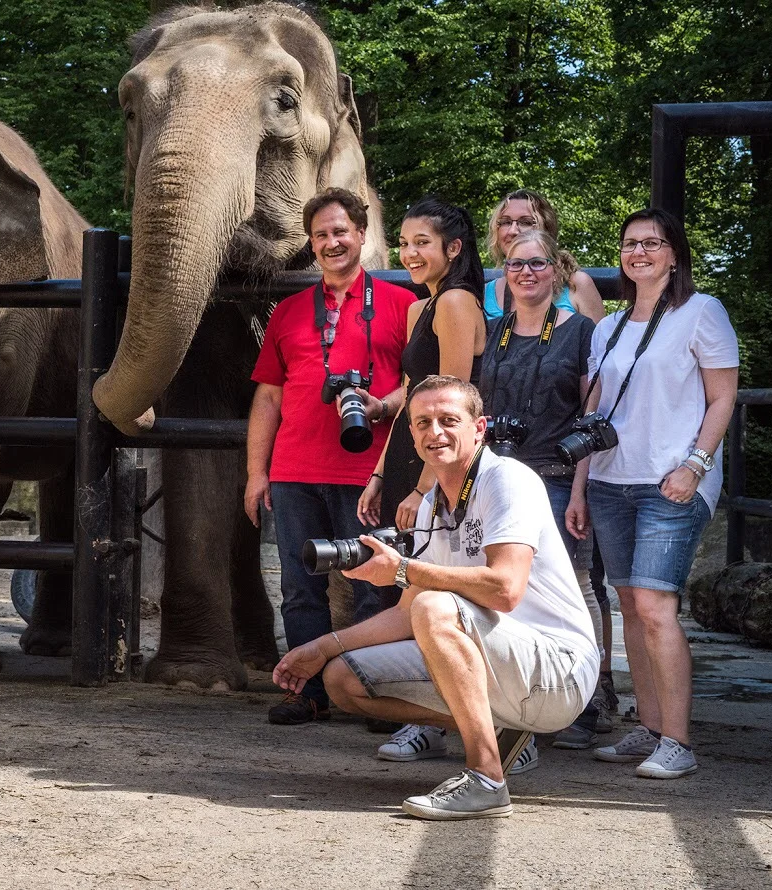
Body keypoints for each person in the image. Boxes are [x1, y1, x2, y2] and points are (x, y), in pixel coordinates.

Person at [273, 376, 600, 820]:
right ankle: (499, 735)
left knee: (434, 604)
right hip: (504, 666)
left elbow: (505, 589)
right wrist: (321, 646)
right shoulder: (431, 504)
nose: (435, 433)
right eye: (422, 422)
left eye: (449, 420)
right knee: (342, 679)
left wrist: (403, 570)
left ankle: (486, 781)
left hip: (558, 670)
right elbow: (406, 614)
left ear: (479, 427)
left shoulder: (507, 480)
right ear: (409, 432)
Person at [245, 188, 416, 725]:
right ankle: (307, 690)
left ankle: (372, 689)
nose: (332, 242)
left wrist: (382, 404)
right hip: (295, 469)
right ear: (310, 243)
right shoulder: (290, 312)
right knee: (299, 587)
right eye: (320, 234)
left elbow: (418, 386)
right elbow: (268, 396)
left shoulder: (402, 304)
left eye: (341, 231)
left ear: (362, 235)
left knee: (374, 583)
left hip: (368, 473)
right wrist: (257, 473)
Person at [583, 208, 738, 779]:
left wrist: (695, 466)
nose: (639, 252)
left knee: (655, 606)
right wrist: (580, 489)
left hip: (671, 481)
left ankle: (678, 741)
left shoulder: (701, 312)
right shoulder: (609, 327)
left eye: (652, 242)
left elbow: (722, 398)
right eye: (629, 243)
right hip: (609, 480)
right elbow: (595, 414)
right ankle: (648, 728)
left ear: (675, 254)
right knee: (630, 606)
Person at [483, 188, 616, 731]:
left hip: (559, 477)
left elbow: (592, 417)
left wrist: (582, 489)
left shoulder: (582, 331)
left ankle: (584, 700)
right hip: (500, 477)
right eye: (517, 263)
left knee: (573, 586)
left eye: (537, 262)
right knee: (505, 586)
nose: (526, 271)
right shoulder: (492, 331)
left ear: (557, 270)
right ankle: (521, 698)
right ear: (505, 269)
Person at [358, 197, 486, 746]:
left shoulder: (456, 302)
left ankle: (438, 720)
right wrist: (383, 475)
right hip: (411, 459)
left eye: (423, 243)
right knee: (402, 589)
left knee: (426, 590)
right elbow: (415, 400)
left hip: (445, 466)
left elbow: (451, 406)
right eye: (405, 243)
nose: (409, 253)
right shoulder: (418, 309)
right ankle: (420, 712)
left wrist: (424, 489)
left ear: (453, 249)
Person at [483, 189, 606, 323]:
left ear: (547, 228)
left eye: (525, 222)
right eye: (506, 222)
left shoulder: (576, 284)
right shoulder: (485, 294)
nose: (513, 231)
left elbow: (599, 342)